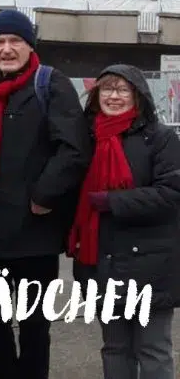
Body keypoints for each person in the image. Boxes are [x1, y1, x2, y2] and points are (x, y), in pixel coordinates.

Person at [0, 10, 90, 378]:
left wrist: (43, 196)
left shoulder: (52, 85)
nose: (7, 49)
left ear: (30, 46)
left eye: (15, 41)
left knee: (33, 328)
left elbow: (73, 149)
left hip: (35, 233)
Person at [69, 66, 179, 379]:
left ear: (138, 97)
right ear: (95, 95)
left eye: (122, 90)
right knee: (114, 347)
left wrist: (113, 202)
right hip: (102, 260)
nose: (114, 96)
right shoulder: (85, 140)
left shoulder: (160, 139)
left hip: (150, 262)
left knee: (153, 348)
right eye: (107, 89)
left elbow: (171, 193)